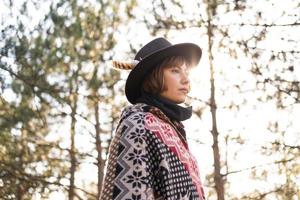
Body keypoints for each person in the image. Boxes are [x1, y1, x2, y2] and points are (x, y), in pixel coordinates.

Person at [100, 38, 205, 200]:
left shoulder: (176, 136)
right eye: (175, 70)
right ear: (153, 76)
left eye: (186, 71)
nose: (186, 79)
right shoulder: (138, 124)